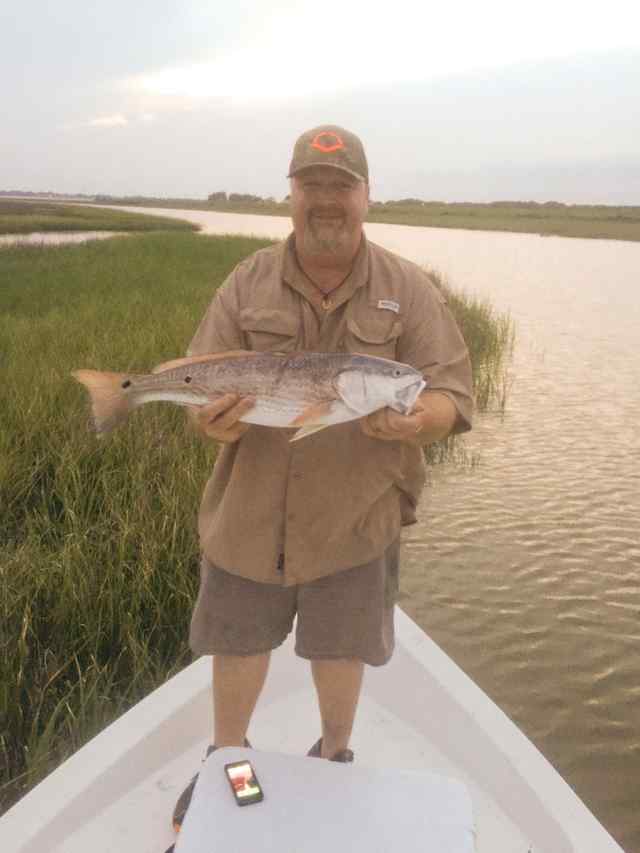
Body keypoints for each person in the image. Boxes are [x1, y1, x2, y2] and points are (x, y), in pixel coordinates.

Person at [172, 125, 473, 831]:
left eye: (342, 186)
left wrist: (415, 420)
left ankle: (334, 756)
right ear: (292, 196)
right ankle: (229, 764)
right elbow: (199, 379)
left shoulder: (409, 289)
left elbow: (453, 394)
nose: (328, 201)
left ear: (367, 196)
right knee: (238, 643)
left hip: (356, 518)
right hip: (249, 515)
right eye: (313, 186)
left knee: (342, 647)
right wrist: (207, 422)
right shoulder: (246, 282)